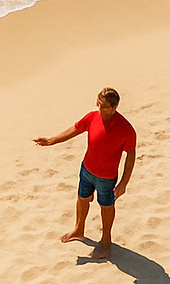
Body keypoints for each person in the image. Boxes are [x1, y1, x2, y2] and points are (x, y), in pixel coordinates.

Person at [33, 87, 138, 259]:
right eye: (99, 104)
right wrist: (51, 140)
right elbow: (75, 129)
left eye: (104, 106)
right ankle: (79, 229)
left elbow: (131, 155)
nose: (100, 109)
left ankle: (106, 240)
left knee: (106, 206)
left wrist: (123, 183)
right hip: (87, 169)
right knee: (82, 199)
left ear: (114, 107)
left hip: (107, 177)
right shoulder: (92, 117)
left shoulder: (126, 129)